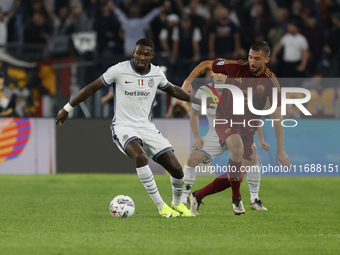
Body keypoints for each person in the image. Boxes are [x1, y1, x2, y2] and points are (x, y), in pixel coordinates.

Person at [56, 38, 199, 218]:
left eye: (146, 54)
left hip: (147, 127)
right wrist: (67, 108)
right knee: (139, 156)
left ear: (152, 56)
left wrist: (197, 101)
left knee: (177, 170)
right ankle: (161, 206)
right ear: (134, 52)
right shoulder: (119, 69)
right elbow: (92, 88)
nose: (141, 57)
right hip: (123, 127)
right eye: (138, 53)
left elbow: (173, 90)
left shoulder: (156, 74)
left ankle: (177, 205)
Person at [182, 41, 291, 215]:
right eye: (250, 57)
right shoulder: (235, 66)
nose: (252, 62)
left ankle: (197, 195)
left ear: (267, 59)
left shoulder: (272, 83)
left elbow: (278, 118)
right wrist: (188, 81)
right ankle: (236, 199)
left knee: (236, 176)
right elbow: (206, 64)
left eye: (257, 59)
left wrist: (281, 150)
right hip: (225, 119)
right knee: (237, 149)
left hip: (247, 129)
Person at [180, 70, 270, 215]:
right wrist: (197, 137)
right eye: (217, 73)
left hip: (238, 133)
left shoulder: (240, 90)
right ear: (212, 74)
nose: (220, 76)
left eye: (224, 73)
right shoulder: (204, 91)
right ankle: (184, 198)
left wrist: (260, 139)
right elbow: (194, 114)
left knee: (250, 162)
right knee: (193, 159)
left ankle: (254, 200)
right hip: (215, 134)